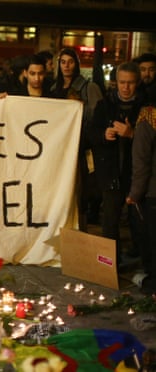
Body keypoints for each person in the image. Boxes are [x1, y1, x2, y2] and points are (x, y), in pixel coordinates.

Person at [92, 61, 146, 260]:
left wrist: (133, 134)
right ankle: (109, 263)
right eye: (122, 82)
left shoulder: (147, 106)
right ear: (116, 82)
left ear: (137, 83)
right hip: (110, 172)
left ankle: (143, 261)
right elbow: (90, 134)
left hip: (137, 174)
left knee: (139, 221)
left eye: (130, 83)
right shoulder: (105, 105)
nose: (126, 87)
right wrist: (103, 134)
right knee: (110, 222)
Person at [51, 48, 104, 232]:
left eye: (70, 62)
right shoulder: (53, 89)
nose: (66, 66)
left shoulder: (89, 88)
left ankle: (79, 233)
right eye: (63, 62)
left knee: (80, 194)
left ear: (77, 64)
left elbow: (98, 117)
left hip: (80, 148)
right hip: (58, 149)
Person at [127, 104, 156, 295]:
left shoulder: (148, 118)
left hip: (153, 193)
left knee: (151, 240)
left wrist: (134, 194)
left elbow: (142, 160)